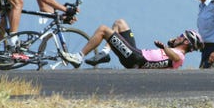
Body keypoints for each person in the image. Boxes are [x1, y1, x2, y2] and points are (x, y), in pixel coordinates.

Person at [61, 18, 204, 69]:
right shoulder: (177, 53)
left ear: (186, 42)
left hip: (135, 58)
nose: (177, 37)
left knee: (103, 29)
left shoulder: (180, 56)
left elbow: (175, 57)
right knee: (120, 23)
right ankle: (105, 52)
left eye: (181, 36)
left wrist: (165, 48)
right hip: (135, 54)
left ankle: (79, 57)